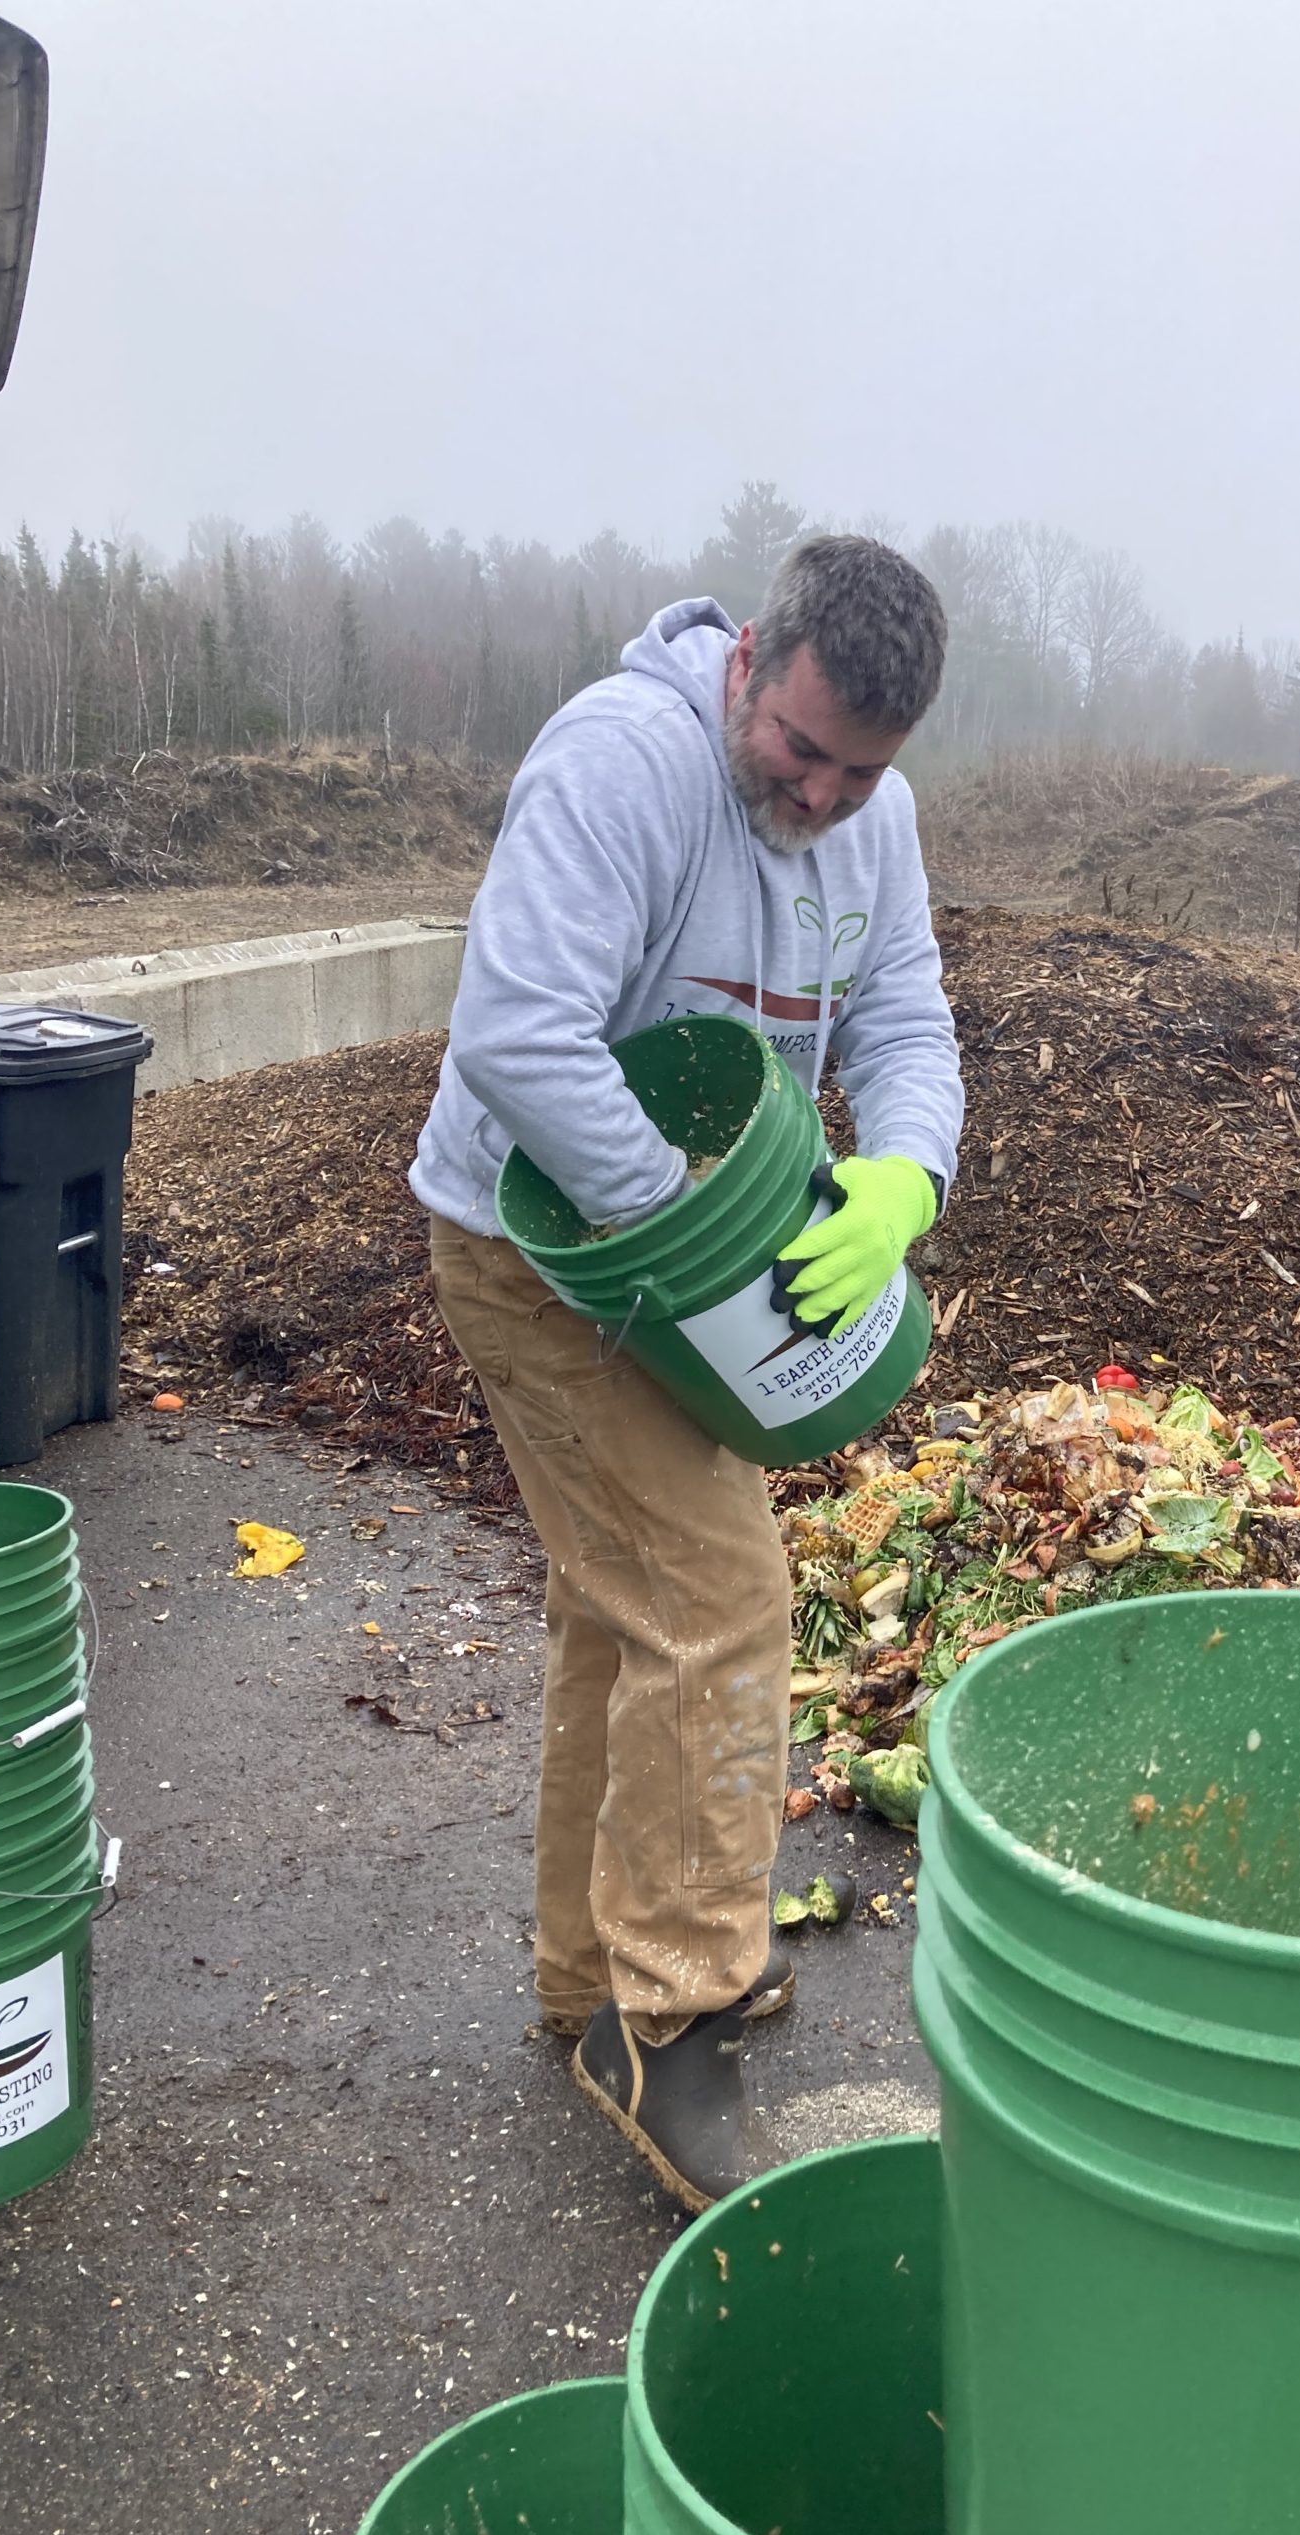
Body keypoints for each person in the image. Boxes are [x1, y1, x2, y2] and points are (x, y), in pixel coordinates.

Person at [410, 536, 964, 2208]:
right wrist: (687, 1232)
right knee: (717, 1600)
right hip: (537, 1253)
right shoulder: (622, 763)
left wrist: (906, 1178)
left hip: (670, 1271)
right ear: (747, 665)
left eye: (862, 769)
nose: (822, 791)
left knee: (625, 1602)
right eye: (800, 748)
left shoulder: (878, 821)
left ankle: (589, 1982)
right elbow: (514, 1034)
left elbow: (908, 1025)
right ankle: (680, 2012)